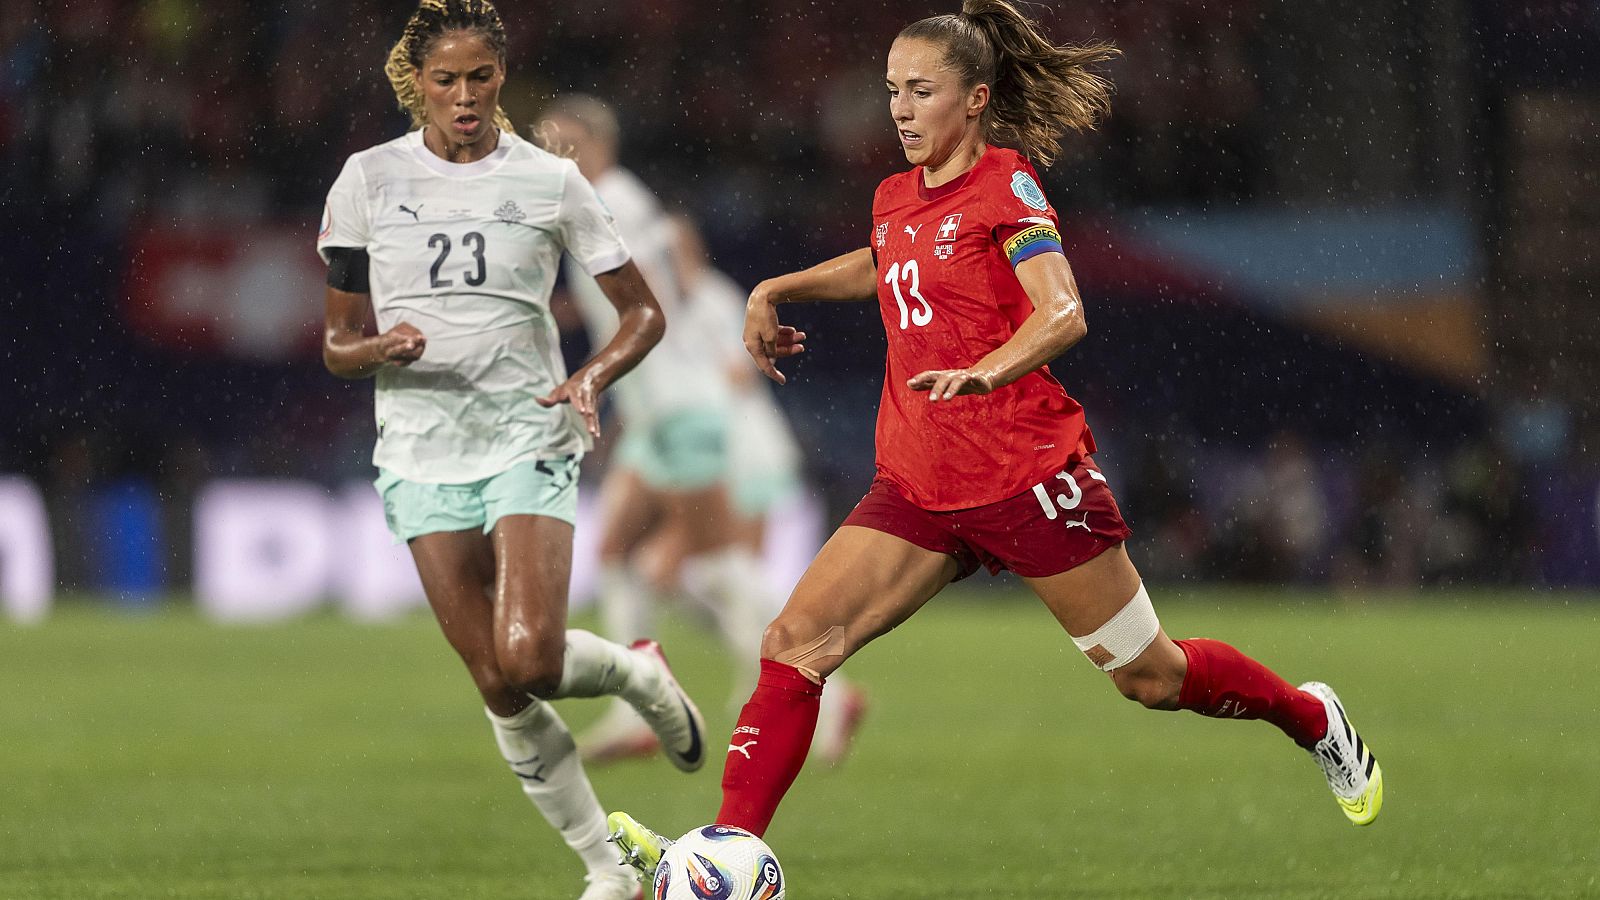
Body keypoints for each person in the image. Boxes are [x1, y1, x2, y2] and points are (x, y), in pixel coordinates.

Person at [606, 0, 1382, 877]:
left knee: (1150, 677)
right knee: (795, 642)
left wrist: (989, 370)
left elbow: (1063, 311)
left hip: (1024, 475)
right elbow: (884, 258)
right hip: (917, 484)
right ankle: (728, 855)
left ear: (975, 99)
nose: (899, 109)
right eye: (891, 90)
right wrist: (778, 286)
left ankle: (1310, 717)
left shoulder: (1005, 185)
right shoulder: (897, 194)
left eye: (921, 91)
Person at [317, 4, 706, 899]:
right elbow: (338, 343)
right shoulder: (367, 180)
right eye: (445, 81)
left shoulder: (550, 181)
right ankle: (608, 868)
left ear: (502, 76)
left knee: (530, 654)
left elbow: (644, 313)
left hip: (528, 431)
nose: (463, 98)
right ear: (416, 81)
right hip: (418, 450)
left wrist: (592, 378)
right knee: (498, 681)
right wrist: (381, 347)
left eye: (479, 79)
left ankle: (639, 674)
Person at [535, 98, 865, 767]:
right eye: (547, 145)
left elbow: (647, 310)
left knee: (719, 568)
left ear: (601, 145)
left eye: (568, 144)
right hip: (661, 406)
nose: (555, 157)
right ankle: (640, 705)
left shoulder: (611, 203)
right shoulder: (610, 201)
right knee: (620, 555)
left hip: (681, 405)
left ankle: (819, 691)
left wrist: (599, 376)